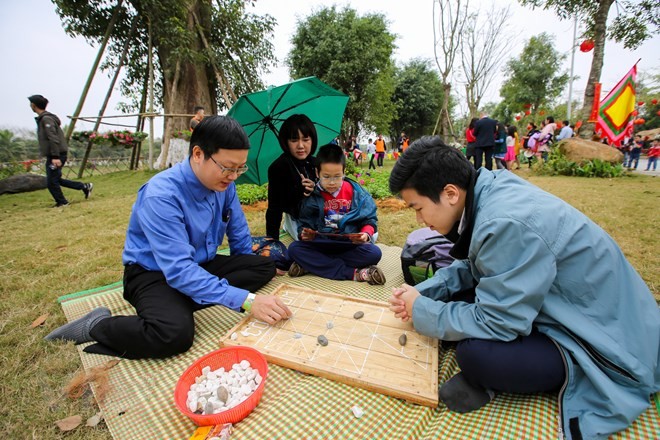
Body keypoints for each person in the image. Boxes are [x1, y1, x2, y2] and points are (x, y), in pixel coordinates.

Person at [387, 136, 659, 440]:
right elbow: (476, 266)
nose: (419, 220)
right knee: (455, 301)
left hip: (601, 336)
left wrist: (422, 309)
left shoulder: (503, 221)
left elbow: (500, 322)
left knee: (475, 355)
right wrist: (427, 293)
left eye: (418, 208)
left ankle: (540, 375)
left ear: (450, 193)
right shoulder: (489, 188)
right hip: (568, 306)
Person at [44, 116, 292, 359]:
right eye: (228, 167)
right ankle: (97, 325)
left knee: (263, 265)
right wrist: (246, 300)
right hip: (153, 273)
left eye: (240, 168)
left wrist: (246, 268)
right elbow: (179, 270)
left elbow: (239, 239)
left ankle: (183, 299)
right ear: (197, 154)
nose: (234, 175)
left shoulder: (225, 186)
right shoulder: (162, 195)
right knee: (173, 334)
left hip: (198, 264)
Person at [287, 144, 385, 285]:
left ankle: (313, 265)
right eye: (326, 177)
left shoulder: (357, 193)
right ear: (317, 173)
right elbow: (304, 224)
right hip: (322, 243)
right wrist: (305, 233)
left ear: (344, 172)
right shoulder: (312, 196)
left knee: (374, 253)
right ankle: (355, 273)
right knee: (295, 249)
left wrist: (365, 234)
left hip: (348, 245)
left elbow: (369, 220)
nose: (332, 182)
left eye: (337, 176)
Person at [28, 95, 93, 207]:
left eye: (30, 104)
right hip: (54, 154)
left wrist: (55, 157)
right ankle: (84, 187)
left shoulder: (46, 119)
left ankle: (62, 202)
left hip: (57, 155)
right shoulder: (45, 118)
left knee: (51, 182)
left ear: (34, 105)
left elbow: (52, 138)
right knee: (55, 179)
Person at [265, 114, 318, 241]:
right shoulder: (278, 167)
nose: (300, 145)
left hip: (321, 217)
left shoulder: (317, 163)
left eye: (305, 139)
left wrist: (317, 188)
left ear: (312, 140)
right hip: (296, 219)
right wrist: (272, 241)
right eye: (294, 140)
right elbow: (274, 208)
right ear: (286, 142)